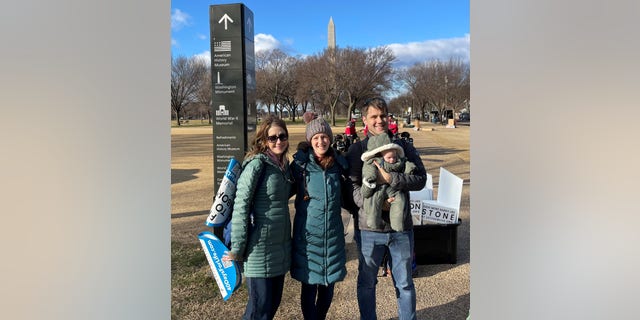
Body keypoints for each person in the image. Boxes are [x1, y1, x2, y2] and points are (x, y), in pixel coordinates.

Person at [344, 97, 427, 320]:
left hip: (401, 229)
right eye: (374, 116)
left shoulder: (403, 147)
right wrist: (375, 204)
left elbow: (420, 179)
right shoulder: (356, 150)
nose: (379, 120)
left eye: (383, 115)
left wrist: (392, 178)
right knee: (367, 284)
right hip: (369, 229)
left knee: (405, 284)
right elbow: (350, 189)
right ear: (365, 120)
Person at [222, 115, 294, 320]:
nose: (278, 141)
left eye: (282, 136)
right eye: (273, 138)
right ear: (264, 141)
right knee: (258, 310)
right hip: (258, 249)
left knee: (272, 306)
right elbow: (241, 206)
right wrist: (237, 247)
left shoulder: (283, 165)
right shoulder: (256, 165)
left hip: (279, 249)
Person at [290, 117, 349, 320]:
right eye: (316, 137)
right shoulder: (300, 165)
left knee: (328, 286)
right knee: (309, 287)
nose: (320, 141)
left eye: (324, 137)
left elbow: (350, 196)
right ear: (310, 140)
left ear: (330, 139)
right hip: (308, 238)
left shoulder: (339, 165)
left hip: (332, 236)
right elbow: (280, 190)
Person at [360, 133, 417, 232]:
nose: (392, 160)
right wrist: (371, 178)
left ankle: (398, 224)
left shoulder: (400, 161)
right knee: (374, 202)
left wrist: (409, 169)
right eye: (389, 158)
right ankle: (373, 222)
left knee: (400, 201)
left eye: (394, 157)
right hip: (378, 189)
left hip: (394, 189)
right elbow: (368, 171)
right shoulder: (373, 161)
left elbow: (408, 167)